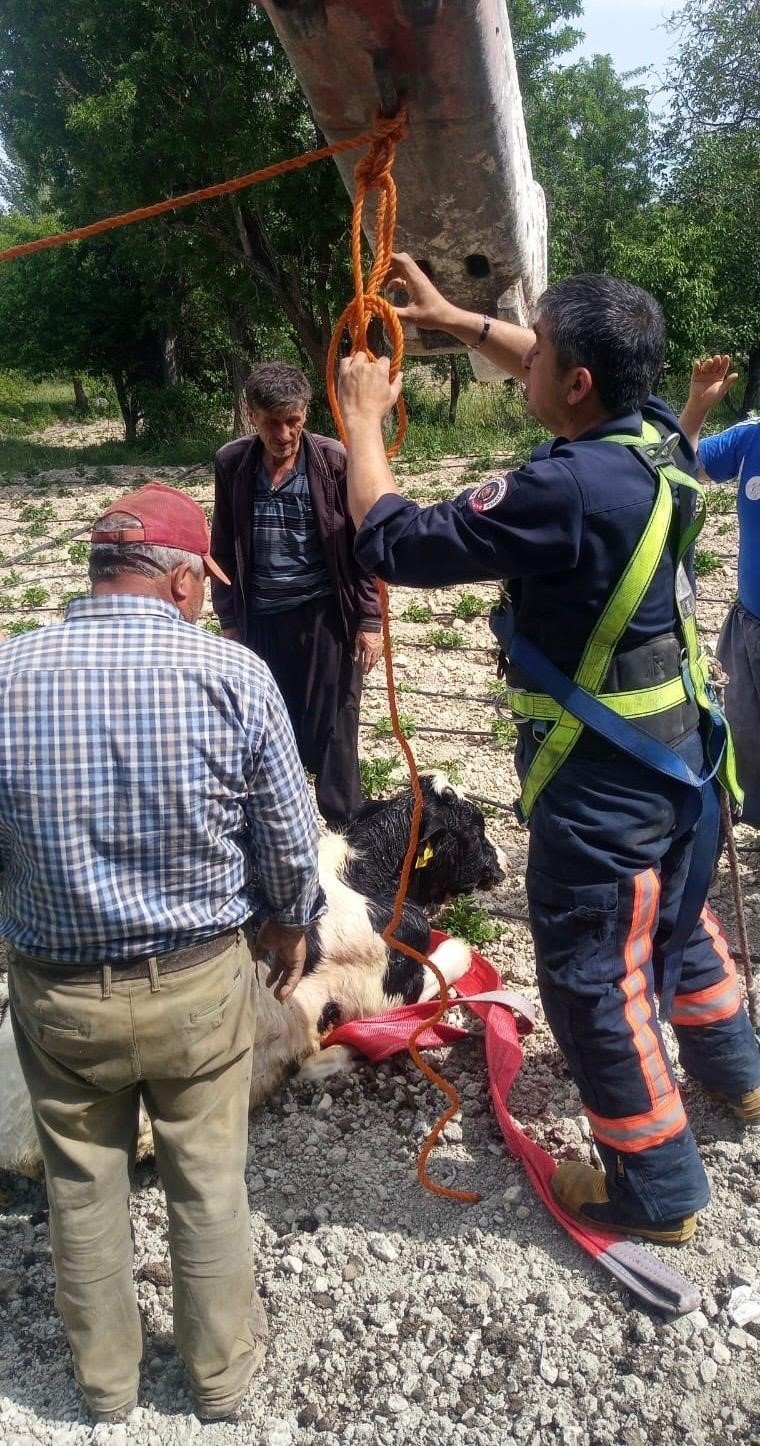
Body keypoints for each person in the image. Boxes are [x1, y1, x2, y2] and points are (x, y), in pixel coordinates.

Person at [337, 257, 760, 1243]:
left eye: (541, 356)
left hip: (606, 793)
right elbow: (553, 364)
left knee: (593, 982)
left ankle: (654, 1194)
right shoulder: (656, 436)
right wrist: (457, 321)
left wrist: (359, 421)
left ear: (575, 385)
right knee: (679, 927)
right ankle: (737, 1082)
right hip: (685, 770)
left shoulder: (562, 488)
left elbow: (394, 540)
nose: (521, 367)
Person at [0, 481, 324, 1424]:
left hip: (60, 996)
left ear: (101, 573)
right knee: (209, 1179)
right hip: (196, 986)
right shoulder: (234, 676)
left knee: (82, 1183)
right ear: (183, 582)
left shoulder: (9, 675)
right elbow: (288, 842)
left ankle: (105, 1389)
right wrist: (290, 921)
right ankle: (221, 1382)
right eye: (207, 584)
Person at [210, 362, 383, 827]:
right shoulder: (232, 463)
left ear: (305, 413)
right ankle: (274, 829)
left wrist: (369, 622)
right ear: (252, 416)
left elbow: (362, 546)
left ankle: (344, 831)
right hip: (261, 618)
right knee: (264, 724)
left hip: (325, 615)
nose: (284, 433)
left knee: (335, 727)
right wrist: (229, 620)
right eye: (271, 422)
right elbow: (221, 545)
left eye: (293, 419)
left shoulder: (332, 461)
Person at [680, 354, 760, 826]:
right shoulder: (751, 438)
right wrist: (696, 408)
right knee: (745, 742)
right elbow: (680, 469)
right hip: (748, 625)